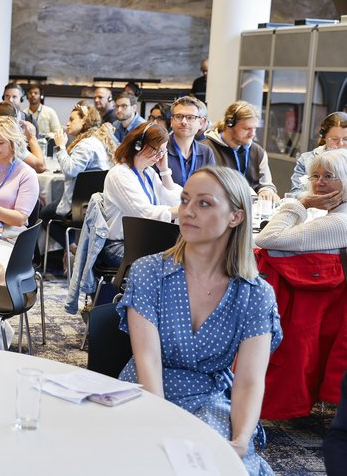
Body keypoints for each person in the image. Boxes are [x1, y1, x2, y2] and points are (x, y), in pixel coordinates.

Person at [117, 165, 281, 475]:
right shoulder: (148, 271)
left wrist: (241, 440)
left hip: (208, 396)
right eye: (185, 200)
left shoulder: (256, 294)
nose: (187, 212)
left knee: (220, 463)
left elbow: (248, 380)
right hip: (148, 391)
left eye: (204, 203)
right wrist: (161, 425)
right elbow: (148, 360)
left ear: (236, 216)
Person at [101, 122, 182, 266]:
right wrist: (185, 210)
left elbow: (173, 201)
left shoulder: (148, 172)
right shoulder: (120, 174)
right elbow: (144, 214)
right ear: (138, 145)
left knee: (186, 257)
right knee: (173, 264)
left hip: (143, 241)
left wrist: (164, 170)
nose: (160, 156)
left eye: (163, 152)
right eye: (156, 150)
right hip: (119, 245)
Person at [42, 102, 116, 247]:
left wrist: (60, 146)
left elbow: (70, 170)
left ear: (84, 120)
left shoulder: (86, 144)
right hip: (96, 203)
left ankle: (73, 249)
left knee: (43, 214)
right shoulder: (99, 140)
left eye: (71, 119)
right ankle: (71, 251)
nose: (67, 123)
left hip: (80, 206)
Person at [255, 149, 347, 252]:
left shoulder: (337, 222)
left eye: (328, 176)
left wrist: (304, 203)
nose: (319, 183)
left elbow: (265, 238)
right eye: (316, 176)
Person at [205, 101, 278, 202]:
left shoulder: (258, 151)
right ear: (229, 125)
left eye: (255, 128)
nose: (252, 134)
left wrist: (266, 191)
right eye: (247, 128)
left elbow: (266, 184)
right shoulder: (205, 149)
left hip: (251, 211)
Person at [289, 112, 347, 197]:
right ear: (324, 138)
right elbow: (295, 194)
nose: (341, 144)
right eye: (334, 139)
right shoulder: (307, 159)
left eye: (346, 139)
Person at [165, 96, 215, 186]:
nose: (184, 121)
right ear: (171, 121)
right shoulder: (159, 149)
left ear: (201, 123)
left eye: (190, 117)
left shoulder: (206, 152)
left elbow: (210, 187)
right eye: (179, 116)